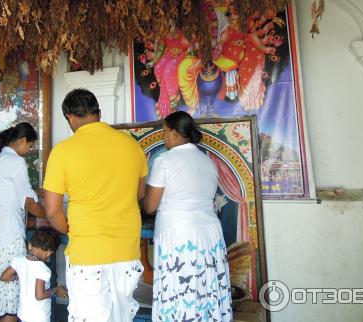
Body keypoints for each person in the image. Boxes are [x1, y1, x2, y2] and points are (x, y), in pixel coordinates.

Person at [43, 88, 148, 321]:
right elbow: (139, 193)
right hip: (126, 249)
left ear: (70, 117)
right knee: (121, 316)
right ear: (98, 113)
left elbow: (52, 210)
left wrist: (70, 230)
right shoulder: (132, 146)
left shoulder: (62, 151)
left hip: (88, 252)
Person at [144, 111, 232, 322]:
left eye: (164, 132)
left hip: (179, 235)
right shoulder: (207, 162)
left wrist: (141, 196)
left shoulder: (164, 161)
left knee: (181, 290)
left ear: (174, 133)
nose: (163, 137)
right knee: (205, 288)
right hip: (210, 235)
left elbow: (150, 206)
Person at [0, 122, 46, 322]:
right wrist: (51, 216)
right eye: (31, 145)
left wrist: (34, 191)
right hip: (8, 238)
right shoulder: (16, 162)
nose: (30, 149)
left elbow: (9, 191)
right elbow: (29, 204)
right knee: (11, 300)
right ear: (22, 141)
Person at [0, 227, 68, 322]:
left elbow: (4, 277)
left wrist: (18, 276)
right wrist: (56, 290)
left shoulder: (19, 261)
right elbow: (39, 295)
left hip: (23, 315)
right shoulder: (43, 270)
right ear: (49, 253)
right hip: (39, 317)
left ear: (30, 245)